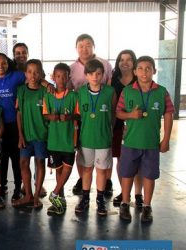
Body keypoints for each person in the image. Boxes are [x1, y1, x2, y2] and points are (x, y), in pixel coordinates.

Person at [117, 56, 174, 222]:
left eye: (148, 68)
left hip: (151, 143)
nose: (144, 72)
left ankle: (147, 206)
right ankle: (125, 204)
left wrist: (166, 139)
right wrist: (131, 115)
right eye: (140, 68)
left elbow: (169, 114)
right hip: (130, 142)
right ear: (134, 71)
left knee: (149, 175)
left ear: (154, 71)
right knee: (127, 174)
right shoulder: (127, 91)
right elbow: (119, 112)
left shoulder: (162, 92)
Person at [69, 34, 114, 196]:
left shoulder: (105, 64)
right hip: (81, 116)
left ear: (93, 46)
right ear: (76, 48)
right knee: (81, 152)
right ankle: (83, 180)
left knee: (104, 153)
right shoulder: (72, 68)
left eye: (88, 45)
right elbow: (69, 91)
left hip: (101, 115)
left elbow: (109, 92)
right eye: (80, 45)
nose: (84, 48)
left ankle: (106, 182)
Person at [74, 59, 116, 216]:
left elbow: (113, 114)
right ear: (86, 75)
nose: (95, 77)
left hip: (104, 139)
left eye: (98, 73)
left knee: (102, 171)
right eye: (91, 74)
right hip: (86, 139)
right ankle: (85, 198)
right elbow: (77, 117)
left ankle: (100, 200)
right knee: (86, 170)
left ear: (103, 75)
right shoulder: (80, 93)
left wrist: (109, 129)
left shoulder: (110, 92)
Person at [43, 63, 79, 215]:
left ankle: (55, 192)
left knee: (68, 166)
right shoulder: (47, 96)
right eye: (58, 76)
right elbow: (45, 114)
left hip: (68, 140)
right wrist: (53, 116)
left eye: (64, 76)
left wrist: (70, 116)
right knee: (58, 169)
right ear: (53, 77)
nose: (61, 79)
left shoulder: (73, 96)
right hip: (54, 140)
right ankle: (60, 199)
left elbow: (79, 115)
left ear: (68, 77)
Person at [0, 53, 25, 201]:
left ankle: (17, 187)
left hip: (15, 124)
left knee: (16, 159)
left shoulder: (17, 76)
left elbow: (32, 80)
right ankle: (1, 187)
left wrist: (47, 85)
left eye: (3, 63)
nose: (0, 66)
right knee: (1, 159)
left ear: (8, 63)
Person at [12, 59, 48, 209]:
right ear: (25, 73)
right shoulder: (21, 90)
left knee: (40, 163)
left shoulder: (46, 91)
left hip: (41, 135)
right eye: (30, 72)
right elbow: (19, 114)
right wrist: (20, 135)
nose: (33, 75)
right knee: (23, 163)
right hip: (25, 135)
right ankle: (28, 194)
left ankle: (36, 195)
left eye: (36, 72)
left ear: (41, 74)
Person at [109, 50, 143, 207]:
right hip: (117, 126)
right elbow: (110, 106)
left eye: (129, 59)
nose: (125, 62)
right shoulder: (113, 80)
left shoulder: (140, 81)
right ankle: (125, 191)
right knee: (121, 161)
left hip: (136, 127)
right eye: (121, 59)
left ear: (134, 63)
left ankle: (138, 194)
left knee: (137, 162)